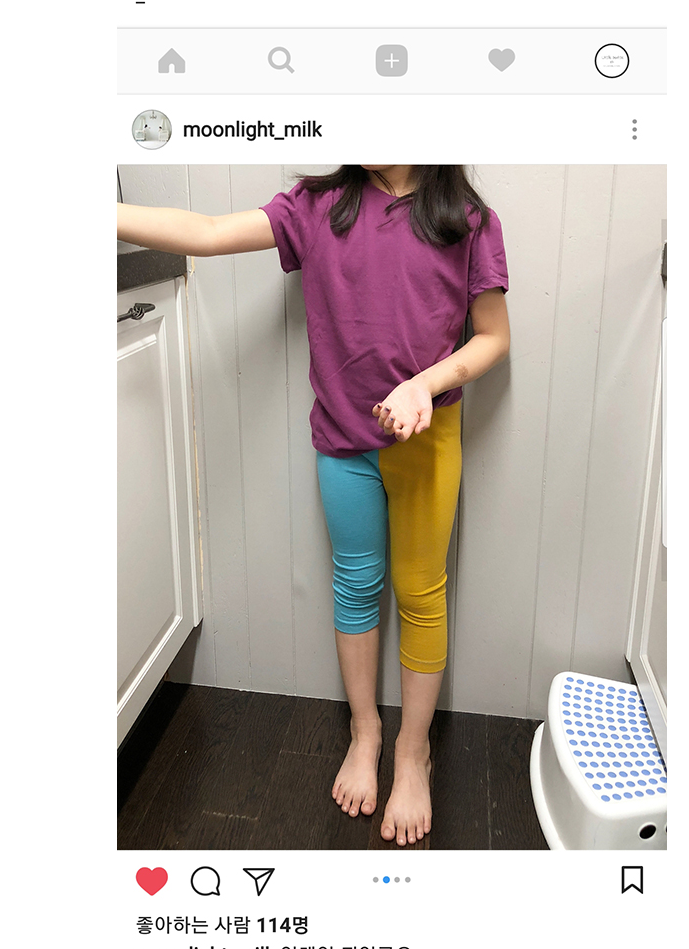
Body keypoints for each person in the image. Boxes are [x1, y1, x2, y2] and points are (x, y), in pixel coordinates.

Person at [116, 165, 510, 844]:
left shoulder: (468, 220)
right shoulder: (316, 206)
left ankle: (412, 751)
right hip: (341, 440)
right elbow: (207, 231)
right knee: (355, 584)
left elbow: (494, 336)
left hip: (426, 441)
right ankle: (366, 732)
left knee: (421, 593)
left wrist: (425, 384)